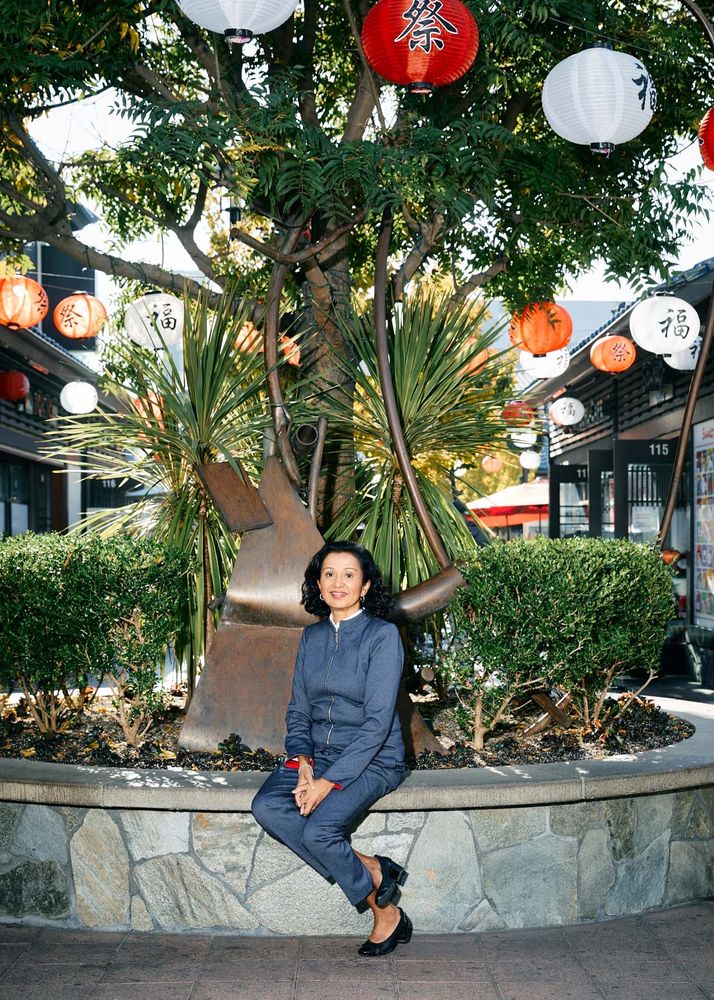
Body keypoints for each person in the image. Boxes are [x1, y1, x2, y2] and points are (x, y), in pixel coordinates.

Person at [251, 540, 411, 956]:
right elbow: (299, 710)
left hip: (374, 759)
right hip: (317, 756)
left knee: (320, 831)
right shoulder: (312, 637)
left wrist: (327, 782)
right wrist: (304, 763)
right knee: (267, 807)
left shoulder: (383, 636)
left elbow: (377, 726)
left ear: (365, 586)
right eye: (329, 574)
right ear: (318, 586)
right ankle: (374, 870)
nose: (338, 583)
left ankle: (383, 909)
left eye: (349, 575)